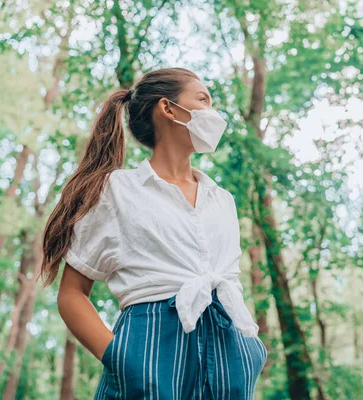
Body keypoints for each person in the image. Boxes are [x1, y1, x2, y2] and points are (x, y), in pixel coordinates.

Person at [40, 67, 267, 399]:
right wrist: (123, 361)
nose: (212, 112)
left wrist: (250, 353)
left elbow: (230, 283)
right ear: (168, 108)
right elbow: (72, 294)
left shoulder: (222, 200)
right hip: (151, 346)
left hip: (228, 350)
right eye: (203, 99)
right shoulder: (117, 190)